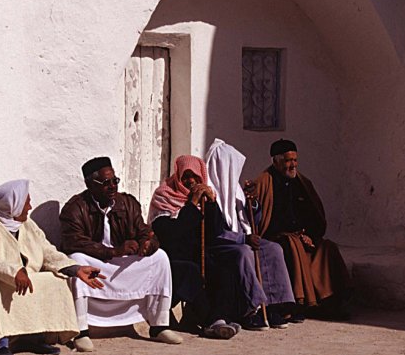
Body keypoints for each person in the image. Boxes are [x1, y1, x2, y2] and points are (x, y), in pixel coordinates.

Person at [0, 179, 102, 355]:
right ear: (13, 205)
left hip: (18, 276)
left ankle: (35, 338)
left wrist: (75, 268)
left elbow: (47, 251)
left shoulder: (26, 223)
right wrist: (13, 272)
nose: (30, 207)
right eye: (26, 202)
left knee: (54, 280)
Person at [59, 156, 182, 351]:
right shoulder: (74, 209)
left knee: (160, 258)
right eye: (105, 183)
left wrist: (146, 244)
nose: (112, 187)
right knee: (76, 261)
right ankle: (81, 331)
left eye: (114, 181)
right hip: (97, 261)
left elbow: (145, 232)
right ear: (90, 184)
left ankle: (159, 326)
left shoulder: (127, 203)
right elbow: (73, 242)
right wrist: (114, 251)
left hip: (122, 262)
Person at [149, 154, 270, 336]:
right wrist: (192, 204)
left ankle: (221, 318)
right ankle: (211, 322)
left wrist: (212, 204)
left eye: (195, 177)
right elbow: (174, 233)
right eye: (186, 176)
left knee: (225, 271)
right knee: (192, 272)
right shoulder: (164, 196)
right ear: (178, 176)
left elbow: (216, 231)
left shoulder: (204, 199)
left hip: (200, 253)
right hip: (174, 256)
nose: (191, 181)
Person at [250, 139, 354, 321]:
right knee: (291, 245)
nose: (293, 165)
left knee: (328, 248)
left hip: (304, 236)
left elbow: (315, 216)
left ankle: (331, 301)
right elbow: (261, 221)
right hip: (278, 237)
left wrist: (309, 235)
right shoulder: (263, 183)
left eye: (295, 160)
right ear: (276, 161)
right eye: (289, 161)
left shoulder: (303, 183)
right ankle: (297, 304)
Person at [205, 138, 295, 329]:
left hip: (242, 238)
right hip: (222, 244)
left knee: (272, 249)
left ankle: (272, 306)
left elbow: (252, 218)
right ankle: (251, 308)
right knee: (245, 252)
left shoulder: (236, 190)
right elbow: (214, 232)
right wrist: (243, 238)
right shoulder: (210, 193)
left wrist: (253, 204)